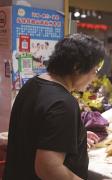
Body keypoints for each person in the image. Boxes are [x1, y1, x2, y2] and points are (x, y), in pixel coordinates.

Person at [4, 33, 105, 180]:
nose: (94, 77)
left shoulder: (33, 84)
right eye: (94, 71)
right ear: (77, 67)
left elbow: (35, 132)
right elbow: (48, 169)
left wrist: (76, 138)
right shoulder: (63, 103)